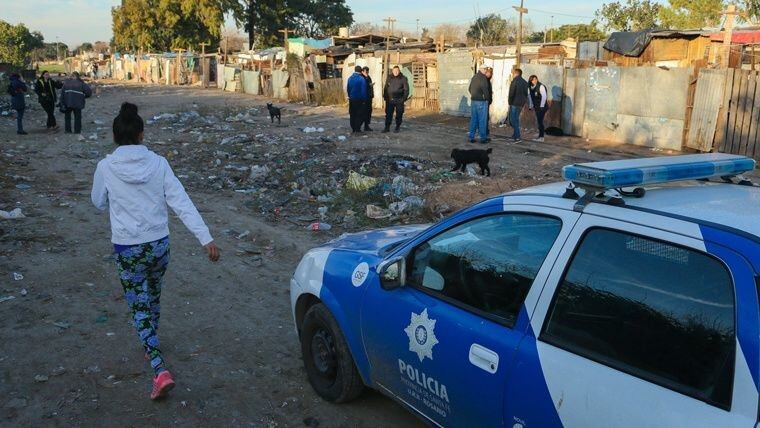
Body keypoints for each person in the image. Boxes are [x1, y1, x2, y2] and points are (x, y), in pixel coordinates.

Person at [91, 102, 220, 400]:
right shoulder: (159, 163)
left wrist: (117, 198)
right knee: (153, 292)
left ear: (115, 137)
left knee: (138, 304)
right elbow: (181, 202)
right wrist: (206, 238)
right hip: (159, 244)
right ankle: (152, 336)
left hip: (128, 247)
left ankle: (158, 368)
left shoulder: (106, 167)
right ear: (141, 135)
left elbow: (98, 202)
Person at [468, 65, 492, 143]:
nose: (486, 71)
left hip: (473, 101)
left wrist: (474, 95)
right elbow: (486, 90)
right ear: (483, 69)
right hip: (481, 101)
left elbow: (469, 88)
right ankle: (483, 138)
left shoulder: (474, 77)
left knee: (474, 120)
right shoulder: (483, 78)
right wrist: (487, 99)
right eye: (486, 69)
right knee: (482, 120)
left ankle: (471, 137)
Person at [382, 66, 409, 133]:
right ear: (392, 71)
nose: (395, 72)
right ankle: (387, 127)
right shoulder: (389, 77)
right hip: (390, 100)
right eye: (394, 71)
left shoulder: (403, 78)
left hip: (399, 100)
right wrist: (385, 97)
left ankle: (397, 127)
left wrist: (403, 99)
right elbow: (386, 88)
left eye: (397, 71)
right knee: (388, 114)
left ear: (399, 71)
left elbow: (406, 90)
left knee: (399, 114)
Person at [507, 68, 529, 142]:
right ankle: (515, 135)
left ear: (516, 73)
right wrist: (523, 102)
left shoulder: (515, 81)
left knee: (513, 120)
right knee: (516, 119)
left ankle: (518, 136)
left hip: (514, 103)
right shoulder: (525, 82)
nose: (513, 74)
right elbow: (526, 94)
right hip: (521, 104)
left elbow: (511, 93)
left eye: (513, 73)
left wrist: (510, 102)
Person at [346, 66, 368, 134]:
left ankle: (353, 129)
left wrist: (350, 96)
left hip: (352, 99)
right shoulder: (361, 79)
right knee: (360, 114)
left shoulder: (350, 78)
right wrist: (365, 99)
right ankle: (357, 129)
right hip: (360, 100)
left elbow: (348, 89)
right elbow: (363, 90)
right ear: (361, 71)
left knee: (352, 114)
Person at [528, 74, 548, 142]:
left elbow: (544, 96)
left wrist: (542, 106)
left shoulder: (541, 86)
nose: (534, 81)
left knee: (540, 121)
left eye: (535, 79)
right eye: (533, 80)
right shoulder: (531, 87)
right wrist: (530, 106)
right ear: (531, 81)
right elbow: (530, 97)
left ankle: (541, 137)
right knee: (539, 121)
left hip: (542, 107)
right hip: (536, 107)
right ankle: (540, 134)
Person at [361, 66, 374, 131]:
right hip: (364, 98)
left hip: (369, 97)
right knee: (363, 112)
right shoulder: (361, 78)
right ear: (362, 71)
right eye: (365, 71)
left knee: (369, 112)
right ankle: (358, 126)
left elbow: (369, 86)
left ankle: (366, 126)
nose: (367, 73)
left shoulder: (368, 77)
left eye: (367, 71)